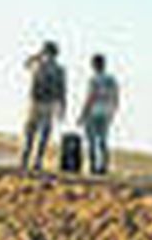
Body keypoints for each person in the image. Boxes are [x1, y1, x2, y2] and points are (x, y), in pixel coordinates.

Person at [20, 42, 67, 171]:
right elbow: (62, 90)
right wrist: (62, 107)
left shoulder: (39, 65)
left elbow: (26, 63)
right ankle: (35, 160)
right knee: (41, 133)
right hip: (45, 102)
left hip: (38, 102)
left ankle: (28, 159)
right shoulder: (58, 69)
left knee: (32, 132)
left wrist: (37, 55)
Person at [78, 54, 120, 175]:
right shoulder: (111, 80)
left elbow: (90, 97)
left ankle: (93, 166)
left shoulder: (93, 79)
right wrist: (112, 112)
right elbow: (116, 97)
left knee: (91, 140)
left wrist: (82, 114)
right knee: (103, 140)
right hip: (106, 112)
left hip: (93, 112)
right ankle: (103, 166)